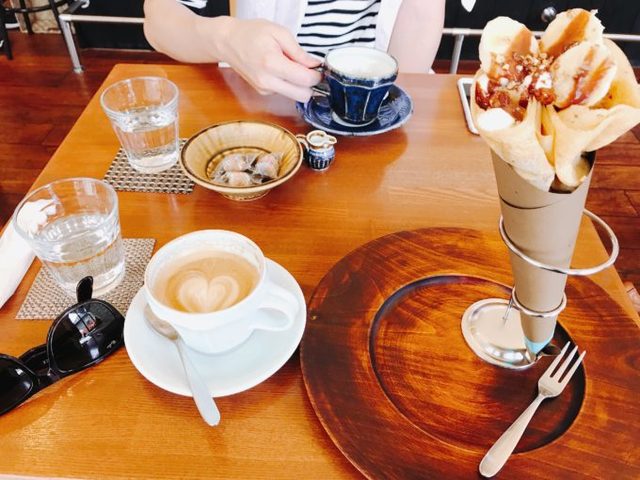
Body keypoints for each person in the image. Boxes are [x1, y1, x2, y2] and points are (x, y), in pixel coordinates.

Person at [143, 0, 445, 102]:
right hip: (258, 98)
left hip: (381, 97)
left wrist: (390, 108)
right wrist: (226, 37)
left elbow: (421, 16)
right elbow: (158, 22)